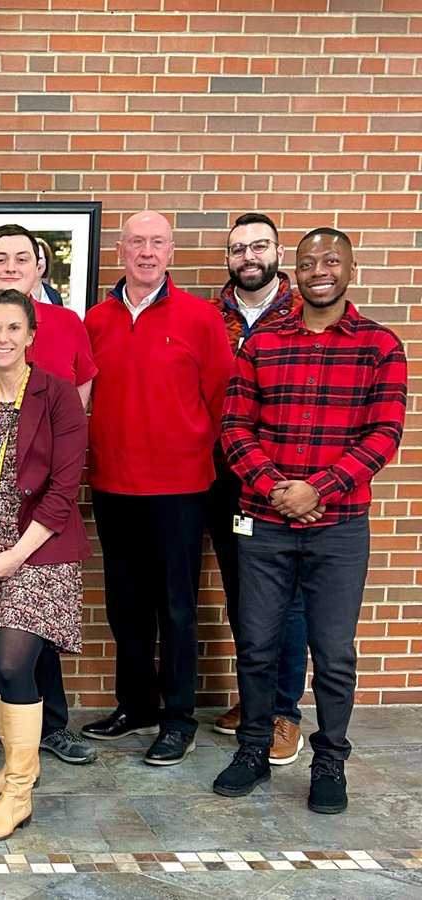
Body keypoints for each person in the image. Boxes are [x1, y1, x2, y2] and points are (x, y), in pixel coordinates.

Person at [213, 228, 407, 814]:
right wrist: (276, 488)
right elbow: (234, 428)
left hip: (340, 525)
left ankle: (330, 760)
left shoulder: (380, 345)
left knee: (333, 650)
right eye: (307, 262)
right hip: (265, 521)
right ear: (292, 273)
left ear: (351, 268)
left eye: (330, 261)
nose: (318, 270)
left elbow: (385, 433)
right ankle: (251, 751)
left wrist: (317, 489)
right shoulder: (264, 343)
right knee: (256, 643)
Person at [0, 224, 98, 772]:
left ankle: (18, 783)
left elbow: (61, 491)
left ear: (32, 333)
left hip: (37, 542)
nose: (3, 337)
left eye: (14, 328)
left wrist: (14, 555)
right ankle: (8, 751)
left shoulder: (58, 395)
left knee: (12, 663)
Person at [80, 211, 232, 765]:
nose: (147, 252)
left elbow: (220, 400)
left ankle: (179, 716)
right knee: (126, 605)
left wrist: (186, 447)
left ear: (172, 251)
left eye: (157, 243)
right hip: (115, 483)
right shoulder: (95, 320)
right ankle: (137, 704)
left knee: (177, 607)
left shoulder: (200, 318)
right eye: (137, 242)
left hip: (180, 488)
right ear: (120, 250)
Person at [206, 214, 308, 766]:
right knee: (242, 592)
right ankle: (255, 700)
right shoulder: (210, 315)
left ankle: (283, 712)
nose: (248, 256)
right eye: (238, 248)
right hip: (224, 476)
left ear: (277, 252)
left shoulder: (301, 314)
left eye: (259, 246)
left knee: (285, 600)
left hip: (283, 482)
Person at [32, 236, 64, 307]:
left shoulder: (54, 295)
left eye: (39, 258)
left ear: (46, 261)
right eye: (30, 258)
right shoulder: (12, 295)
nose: (36, 262)